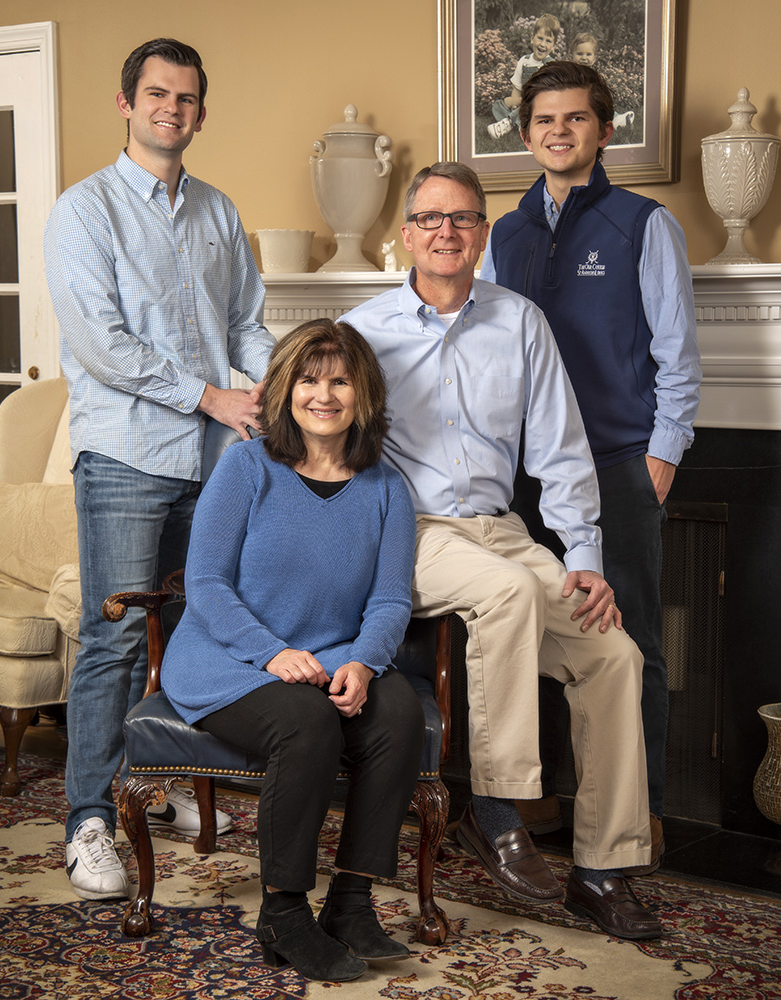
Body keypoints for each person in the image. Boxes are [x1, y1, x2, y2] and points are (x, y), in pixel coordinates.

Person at [344, 161, 662, 941]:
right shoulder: (361, 331)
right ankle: (495, 809)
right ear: (406, 235)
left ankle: (601, 869)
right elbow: (320, 440)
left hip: (501, 532)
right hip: (408, 532)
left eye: (462, 219)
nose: (445, 232)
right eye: (430, 219)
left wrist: (584, 557)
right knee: (507, 593)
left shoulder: (520, 322)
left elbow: (560, 451)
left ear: (483, 235)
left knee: (613, 655)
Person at [44, 38, 275, 901]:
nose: (170, 109)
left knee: (187, 630)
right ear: (126, 104)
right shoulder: (84, 210)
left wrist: (273, 383)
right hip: (128, 456)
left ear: (201, 114)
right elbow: (103, 346)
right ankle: (88, 822)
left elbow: (247, 321)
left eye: (185, 98)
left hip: (217, 462)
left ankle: (162, 775)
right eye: (155, 95)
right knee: (110, 639)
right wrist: (213, 397)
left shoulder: (219, 210)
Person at [480, 62, 701, 874]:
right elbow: (498, 353)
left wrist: (658, 462)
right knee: (527, 631)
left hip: (616, 465)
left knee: (630, 641)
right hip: (527, 475)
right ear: (529, 132)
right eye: (545, 119)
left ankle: (641, 812)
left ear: (604, 132)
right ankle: (535, 796)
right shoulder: (501, 233)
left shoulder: (645, 225)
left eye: (577, 119)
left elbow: (678, 357)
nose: (559, 131)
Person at [161, 319, 424, 982]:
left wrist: (364, 661)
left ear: (363, 394)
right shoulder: (247, 465)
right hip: (227, 654)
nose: (324, 394)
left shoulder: (388, 488)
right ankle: (283, 914)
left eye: (339, 379)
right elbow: (206, 584)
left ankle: (353, 904)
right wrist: (271, 652)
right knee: (306, 719)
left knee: (397, 711)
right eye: (309, 379)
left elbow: (391, 600)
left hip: (330, 653)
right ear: (285, 390)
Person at [488, 13, 561, 139]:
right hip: (523, 102)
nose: (542, 44)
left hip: (540, 105)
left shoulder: (551, 65)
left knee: (532, 106)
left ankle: (509, 123)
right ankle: (520, 121)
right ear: (532, 38)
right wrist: (515, 103)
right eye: (540, 38)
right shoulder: (524, 61)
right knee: (500, 104)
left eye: (548, 41)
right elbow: (517, 87)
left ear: (553, 46)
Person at [568, 35, 633, 129]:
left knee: (602, 105)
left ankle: (617, 119)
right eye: (579, 54)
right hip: (577, 105)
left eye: (588, 54)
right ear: (571, 56)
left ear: (594, 58)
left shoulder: (592, 74)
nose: (584, 58)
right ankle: (613, 121)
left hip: (591, 104)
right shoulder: (571, 73)